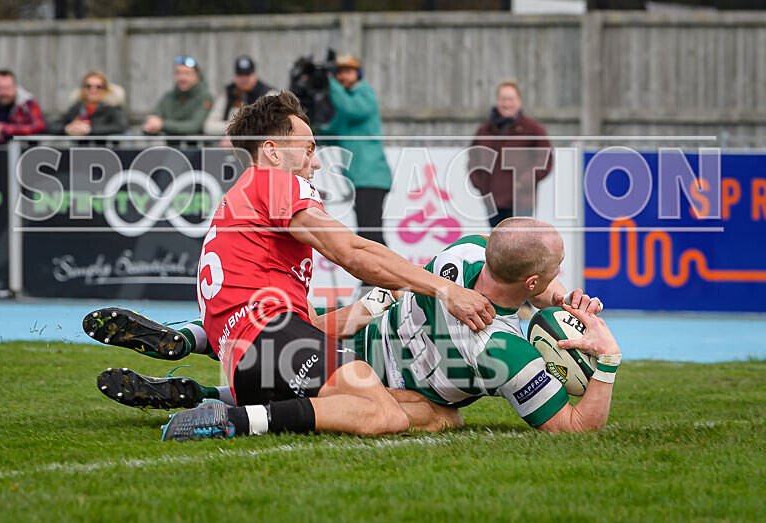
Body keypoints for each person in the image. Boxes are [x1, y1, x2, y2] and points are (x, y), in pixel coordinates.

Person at [88, 91, 495, 441]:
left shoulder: (238, 203)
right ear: (272, 150)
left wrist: (376, 303)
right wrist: (446, 289)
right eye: (309, 148)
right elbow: (351, 252)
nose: (315, 163)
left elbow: (310, 326)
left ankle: (211, 392)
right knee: (383, 414)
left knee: (435, 414)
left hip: (248, 359)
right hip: (268, 342)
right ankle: (233, 418)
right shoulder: (275, 182)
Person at [86, 219, 618, 437]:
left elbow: (509, 263)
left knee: (284, 336)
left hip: (357, 327)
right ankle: (215, 403)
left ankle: (193, 341)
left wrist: (555, 295)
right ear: (529, 281)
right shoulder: (505, 353)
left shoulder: (465, 253)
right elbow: (576, 429)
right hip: (369, 376)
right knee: (439, 416)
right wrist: (608, 360)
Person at [317, 54, 392, 245]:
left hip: (370, 178)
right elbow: (330, 131)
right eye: (339, 73)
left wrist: (330, 83)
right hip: (359, 179)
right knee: (369, 233)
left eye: (347, 72)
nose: (342, 76)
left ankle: (382, 273)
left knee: (370, 235)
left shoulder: (364, 94)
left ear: (358, 74)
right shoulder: (345, 102)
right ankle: (379, 274)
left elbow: (352, 108)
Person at [469, 78, 553, 228]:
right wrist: (481, 184)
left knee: (520, 245)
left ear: (518, 101)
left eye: (510, 99)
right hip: (493, 201)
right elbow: (473, 159)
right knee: (497, 245)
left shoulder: (532, 129)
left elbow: (545, 159)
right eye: (503, 99)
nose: (506, 103)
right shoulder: (484, 130)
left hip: (521, 200)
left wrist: (525, 180)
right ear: (497, 101)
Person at [203, 55, 277, 143]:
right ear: (235, 76)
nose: (244, 79)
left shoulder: (269, 94)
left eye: (247, 75)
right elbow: (208, 126)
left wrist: (236, 132)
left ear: (255, 75)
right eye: (240, 75)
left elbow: (273, 125)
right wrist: (232, 130)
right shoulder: (227, 94)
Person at [141, 56, 213, 136]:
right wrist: (150, 126)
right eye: (178, 73)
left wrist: (162, 125)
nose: (182, 77)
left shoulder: (205, 97)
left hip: (197, 146)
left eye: (187, 73)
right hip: (172, 147)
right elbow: (151, 118)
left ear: (196, 76)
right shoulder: (169, 97)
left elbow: (195, 126)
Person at [47, 70, 127, 136]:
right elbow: (53, 126)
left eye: (98, 87)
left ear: (105, 90)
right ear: (83, 89)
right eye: (88, 86)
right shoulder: (76, 108)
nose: (93, 90)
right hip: (78, 152)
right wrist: (68, 128)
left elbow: (120, 127)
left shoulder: (112, 108)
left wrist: (89, 129)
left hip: (106, 152)